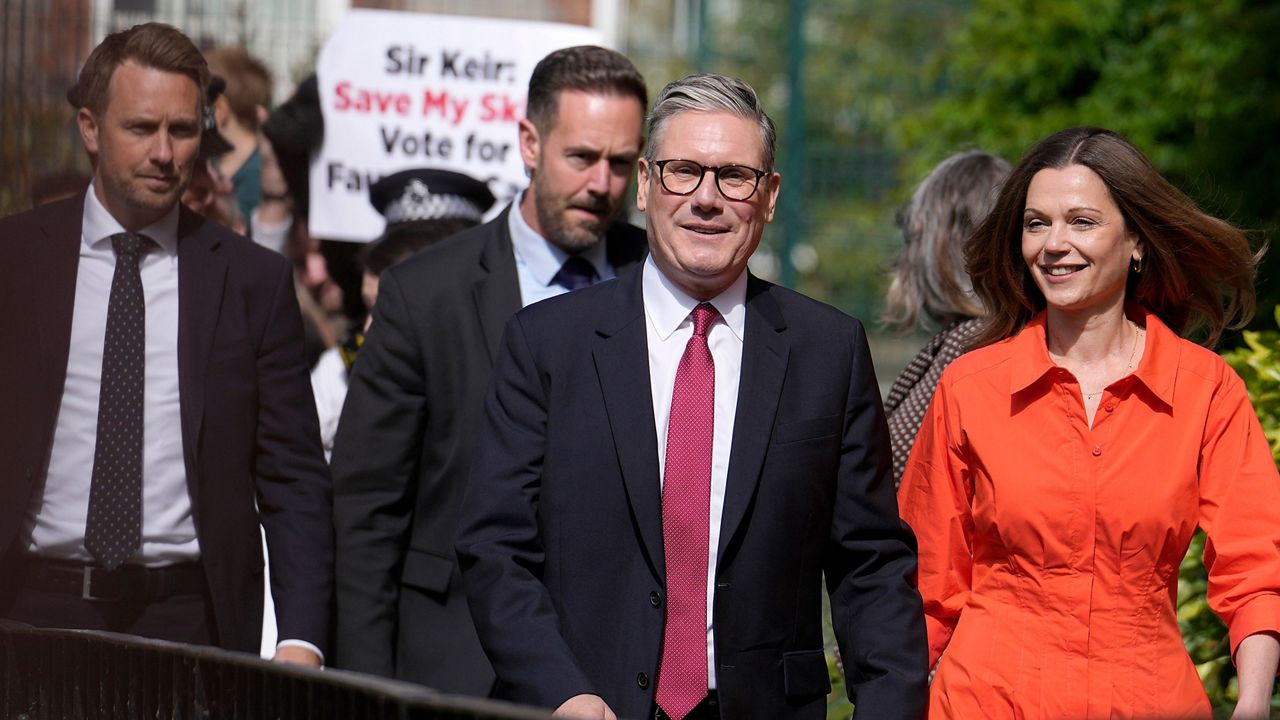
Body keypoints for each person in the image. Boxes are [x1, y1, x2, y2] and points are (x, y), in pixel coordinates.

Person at [454, 73, 928, 720]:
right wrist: (562, 690)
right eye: (684, 172)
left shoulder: (828, 351)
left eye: (735, 176)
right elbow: (495, 547)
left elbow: (869, 565)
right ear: (646, 185)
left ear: (768, 196)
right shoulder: (548, 345)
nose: (707, 198)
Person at [898, 126, 1280, 718]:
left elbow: (1256, 568)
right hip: (985, 702)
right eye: (1036, 223)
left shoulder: (1206, 391)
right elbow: (925, 585)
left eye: (1081, 221)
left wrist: (1252, 704)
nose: (1053, 244)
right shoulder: (970, 388)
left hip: (1149, 700)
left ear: (1137, 242)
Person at [0, 23, 332, 667]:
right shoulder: (15, 259)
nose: (164, 152)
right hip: (28, 607)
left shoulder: (250, 282)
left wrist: (301, 642)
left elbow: (293, 478)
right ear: (91, 128)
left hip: (190, 621)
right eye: (140, 128)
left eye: (183, 132)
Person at [329, 45, 650, 694]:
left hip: (622, 670)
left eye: (621, 164)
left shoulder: (660, 281)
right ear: (529, 143)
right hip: (457, 662)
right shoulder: (426, 294)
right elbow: (367, 510)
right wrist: (363, 687)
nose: (601, 185)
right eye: (582, 157)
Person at [312, 168, 495, 460]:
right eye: (370, 306)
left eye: (393, 307)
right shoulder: (337, 372)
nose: (370, 328)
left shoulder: (513, 366)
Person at [881, 151, 1010, 486]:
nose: (906, 255)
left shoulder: (970, 347)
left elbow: (896, 472)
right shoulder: (984, 339)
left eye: (914, 236)